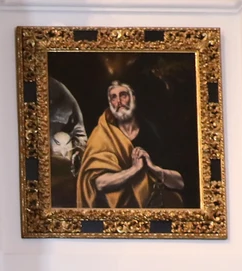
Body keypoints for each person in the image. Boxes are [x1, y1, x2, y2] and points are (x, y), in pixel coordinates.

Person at [76, 81, 186, 210]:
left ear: (133, 97)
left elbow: (179, 183)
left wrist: (153, 168)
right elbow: (100, 183)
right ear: (110, 102)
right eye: (113, 97)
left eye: (123, 95)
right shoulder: (101, 135)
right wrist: (134, 170)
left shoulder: (153, 132)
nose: (119, 101)